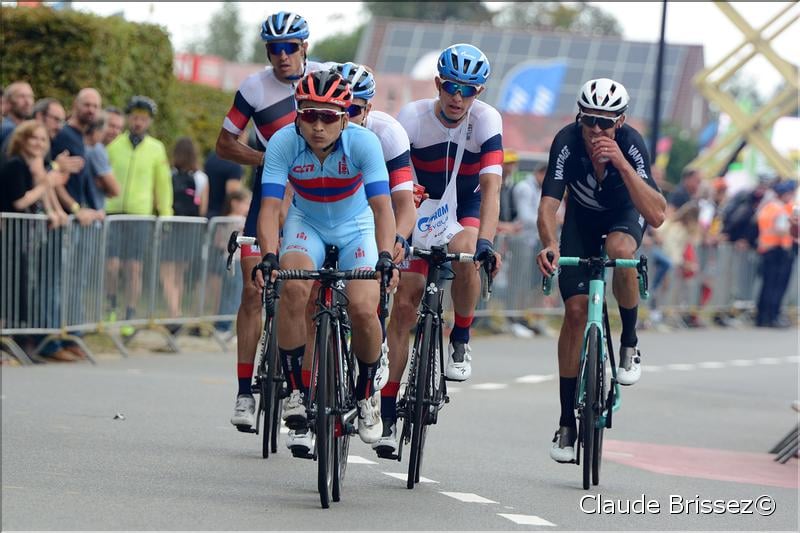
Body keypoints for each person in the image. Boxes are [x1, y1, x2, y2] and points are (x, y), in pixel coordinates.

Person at [251, 70, 400, 452]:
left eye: (329, 117)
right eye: (310, 115)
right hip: (307, 223)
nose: (318, 126)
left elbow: (383, 209)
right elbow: (269, 209)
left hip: (356, 227)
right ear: (297, 115)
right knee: (294, 287)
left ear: (345, 118)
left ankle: (366, 395)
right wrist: (269, 255)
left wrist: (385, 256)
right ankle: (298, 391)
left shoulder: (364, 143)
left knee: (365, 310)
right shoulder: (283, 143)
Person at [536, 78, 666, 463]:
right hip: (581, 221)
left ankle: (628, 341)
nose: (596, 130)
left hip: (624, 215)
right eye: (589, 120)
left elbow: (657, 215)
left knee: (621, 250)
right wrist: (550, 243)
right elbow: (548, 205)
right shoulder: (567, 142)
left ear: (620, 122)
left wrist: (622, 162)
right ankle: (565, 421)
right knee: (575, 313)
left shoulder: (631, 144)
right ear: (579, 118)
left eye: (606, 123)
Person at [217, 11, 326, 434]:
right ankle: (245, 392)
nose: (282, 56)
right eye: (274, 49)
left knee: (315, 293)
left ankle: (309, 387)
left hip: (318, 192)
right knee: (251, 289)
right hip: (271, 189)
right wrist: (266, 159)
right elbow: (225, 143)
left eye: (290, 47)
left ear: (304, 47)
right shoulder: (254, 87)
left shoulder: (324, 78)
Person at [0, 121, 73, 362]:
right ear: (23, 139)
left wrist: (56, 213)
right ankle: (10, 341)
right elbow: (20, 202)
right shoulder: (15, 165)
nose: (39, 143)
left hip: (26, 238)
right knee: (9, 288)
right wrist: (44, 184)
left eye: (43, 139)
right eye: (34, 138)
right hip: (10, 235)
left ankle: (20, 341)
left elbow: (45, 197)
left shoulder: (36, 165)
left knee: (20, 289)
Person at [105, 95, 173, 328]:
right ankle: (111, 305)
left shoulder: (156, 149)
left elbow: (163, 186)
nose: (138, 122)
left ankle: (129, 313)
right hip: (114, 212)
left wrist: (165, 216)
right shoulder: (114, 145)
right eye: (134, 117)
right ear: (128, 119)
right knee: (112, 265)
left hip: (139, 215)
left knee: (134, 267)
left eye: (143, 119)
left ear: (149, 122)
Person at [51, 88, 104, 226]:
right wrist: (76, 209)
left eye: (95, 106)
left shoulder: (80, 137)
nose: (91, 110)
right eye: (87, 105)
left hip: (71, 220)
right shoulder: (64, 135)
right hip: (61, 219)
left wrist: (94, 209)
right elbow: (54, 179)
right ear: (75, 105)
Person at [755, 180, 798, 328]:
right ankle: (772, 316)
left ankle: (761, 317)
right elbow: (781, 229)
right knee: (776, 286)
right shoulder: (780, 210)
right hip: (778, 250)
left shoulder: (766, 207)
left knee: (766, 285)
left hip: (766, 249)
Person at [204, 148, 243, 219]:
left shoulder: (210, 158)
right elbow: (233, 194)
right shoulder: (234, 164)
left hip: (208, 215)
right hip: (224, 218)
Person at [0, 82, 35, 146]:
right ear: (8, 102)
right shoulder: (9, 129)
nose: (28, 102)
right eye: (22, 96)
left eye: (30, 96)